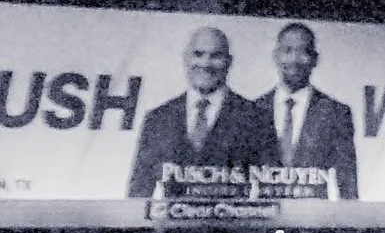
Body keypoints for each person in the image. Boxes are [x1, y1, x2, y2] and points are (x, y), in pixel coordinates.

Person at [125, 25, 271, 199]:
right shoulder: (158, 119)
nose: (206, 64)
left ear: (229, 62)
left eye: (216, 56)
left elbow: (269, 191)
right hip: (170, 224)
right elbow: (138, 192)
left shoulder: (256, 118)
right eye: (198, 54)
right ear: (186, 58)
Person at [246, 21, 359, 201]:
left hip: (313, 220)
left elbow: (347, 180)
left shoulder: (336, 113)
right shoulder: (252, 111)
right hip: (261, 220)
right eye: (288, 51)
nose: (295, 59)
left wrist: (348, 224)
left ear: (315, 59)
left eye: (303, 51)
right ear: (275, 56)